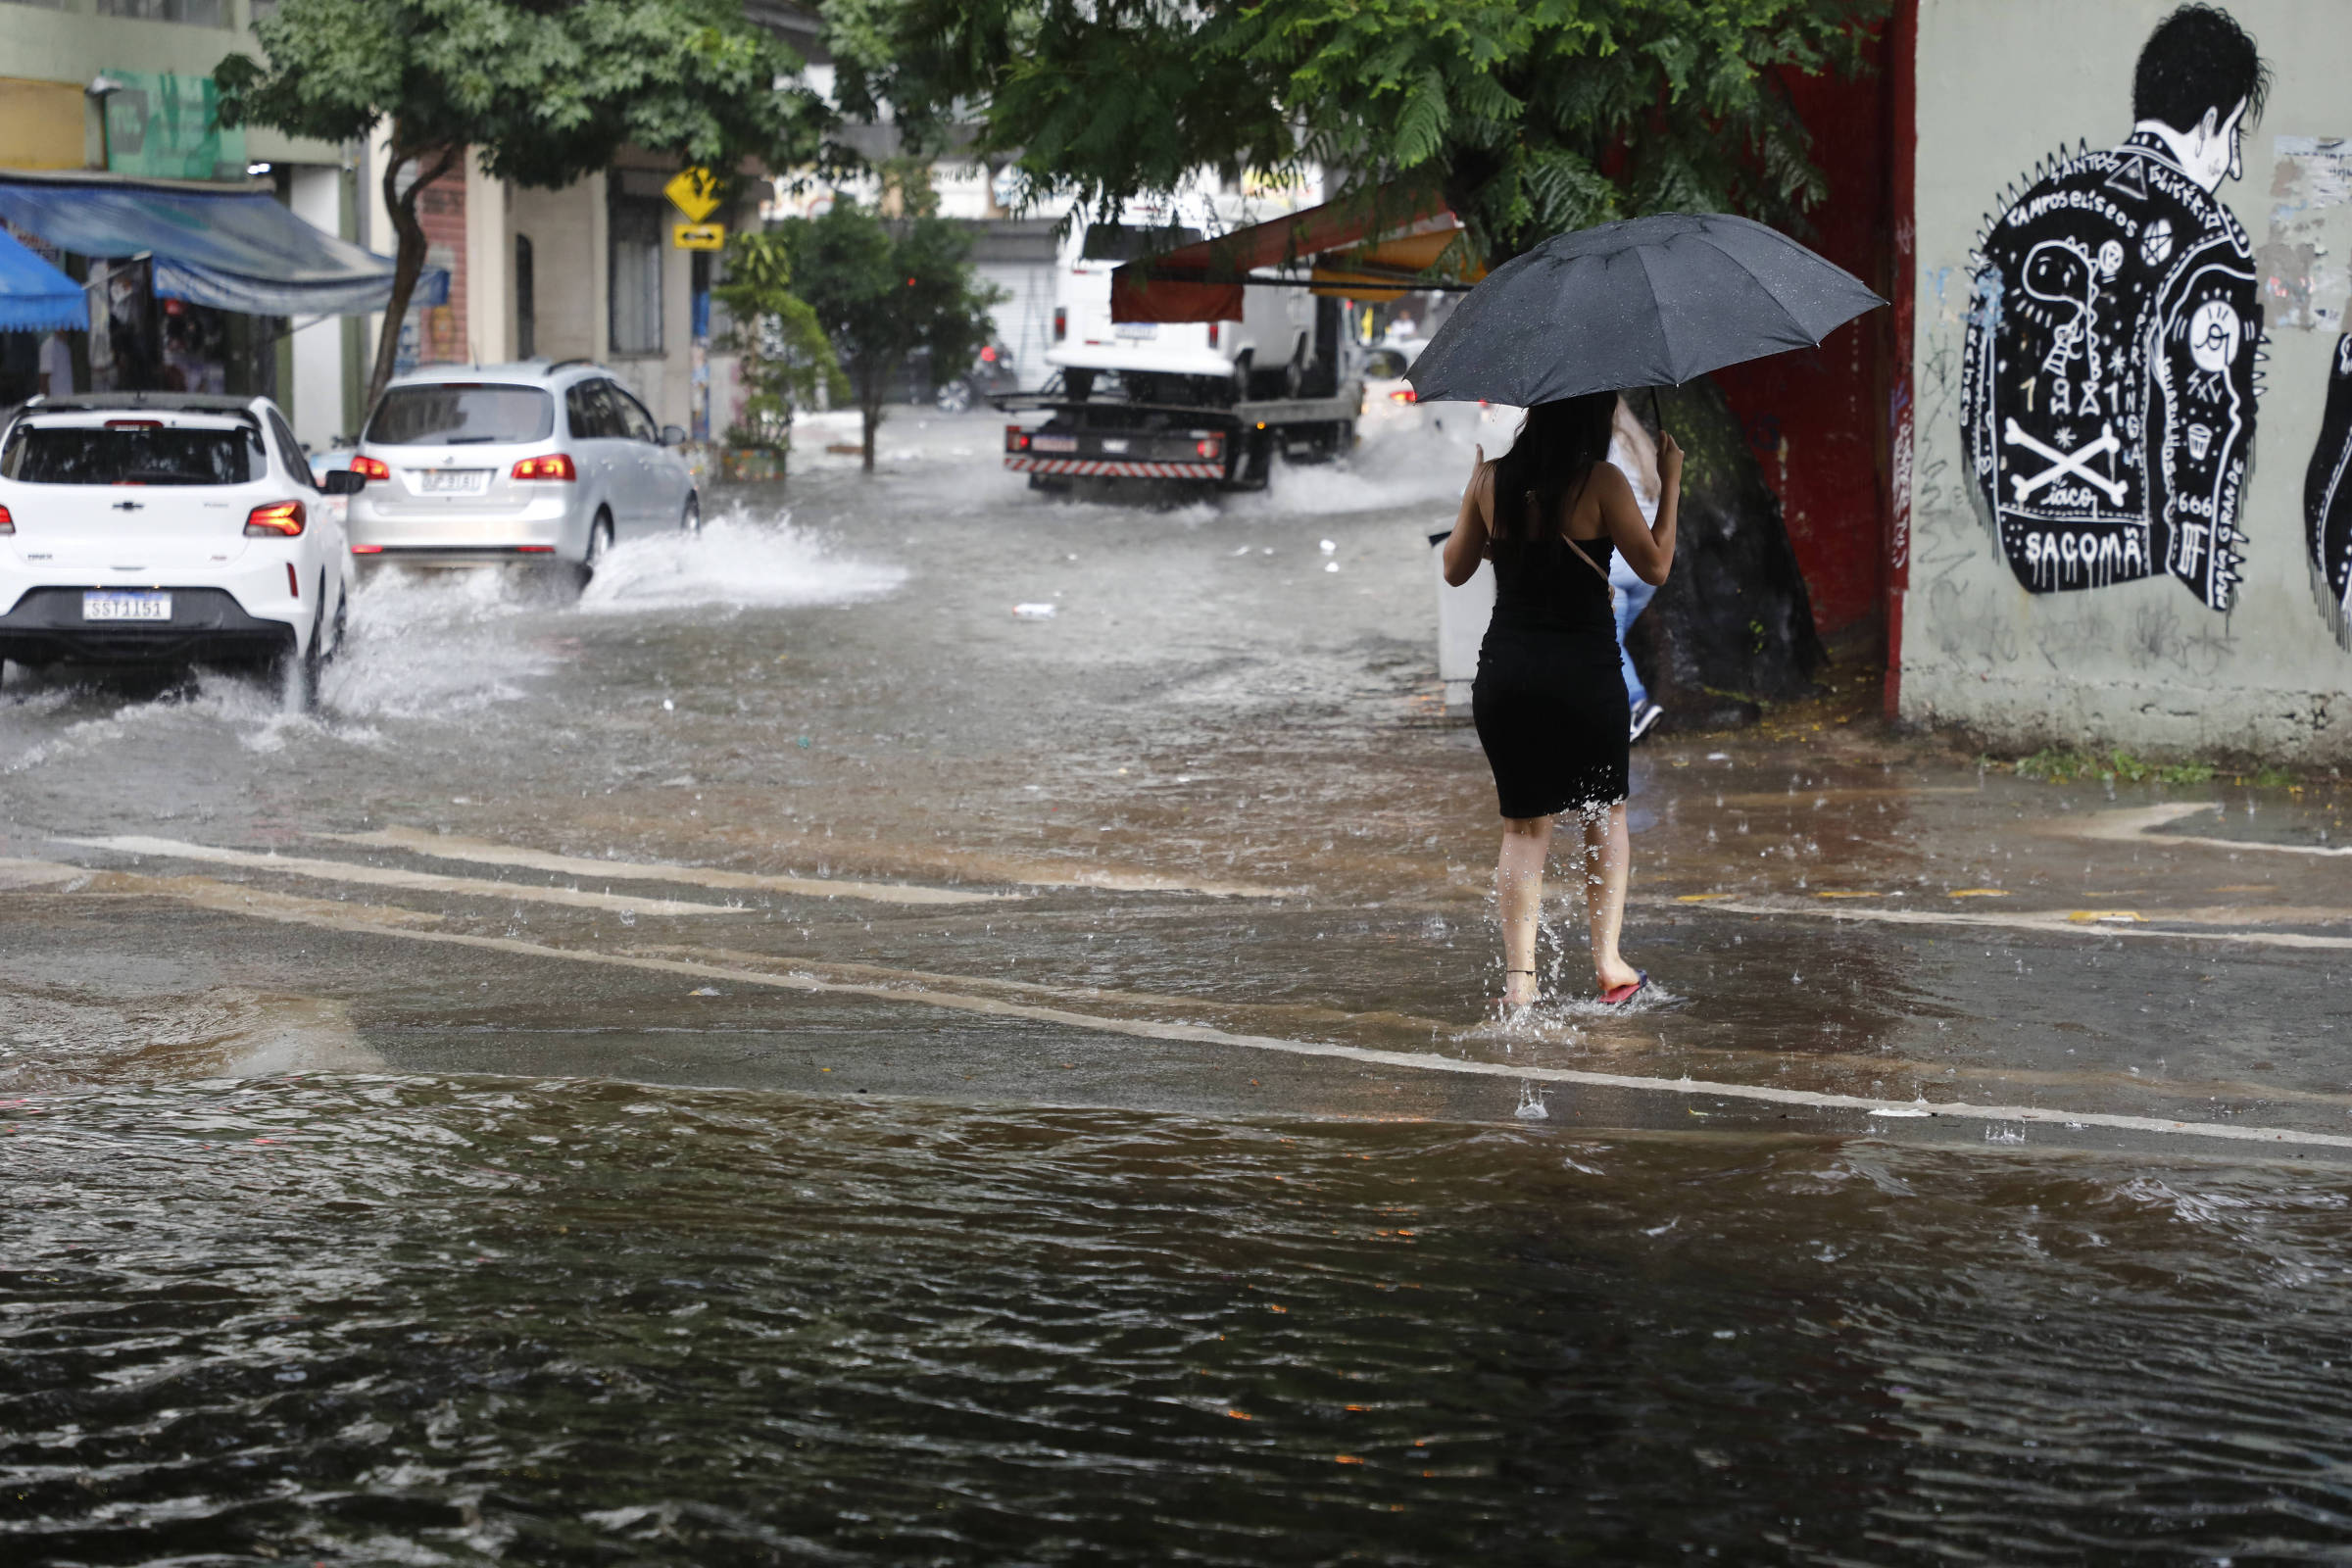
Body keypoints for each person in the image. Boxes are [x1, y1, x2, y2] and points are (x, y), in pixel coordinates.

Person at [1442, 392, 1682, 1010]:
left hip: (1508, 675)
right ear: (1592, 419)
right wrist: (1672, 480)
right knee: (1606, 813)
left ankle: (1520, 983)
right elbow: (1654, 566)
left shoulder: (1493, 478)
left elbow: (1455, 569)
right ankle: (1608, 965)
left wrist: (1474, 486)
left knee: (1524, 827)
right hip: (1583, 677)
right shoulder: (1600, 481)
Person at [1606, 396, 1666, 742]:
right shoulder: (1639, 446)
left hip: (1614, 563)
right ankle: (1616, 715)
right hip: (1645, 567)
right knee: (1607, 644)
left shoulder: (1603, 448)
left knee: (1605, 645)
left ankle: (1637, 704)